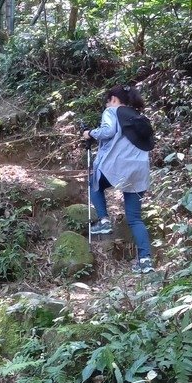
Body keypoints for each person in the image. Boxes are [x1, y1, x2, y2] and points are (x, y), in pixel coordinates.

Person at [83, 84, 155, 274]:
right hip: (139, 170)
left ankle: (104, 220)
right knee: (135, 218)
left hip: (118, 165)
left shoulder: (113, 111)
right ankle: (145, 260)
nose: (107, 104)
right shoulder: (139, 117)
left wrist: (90, 133)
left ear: (114, 99)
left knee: (94, 184)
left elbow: (107, 132)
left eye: (108, 101)